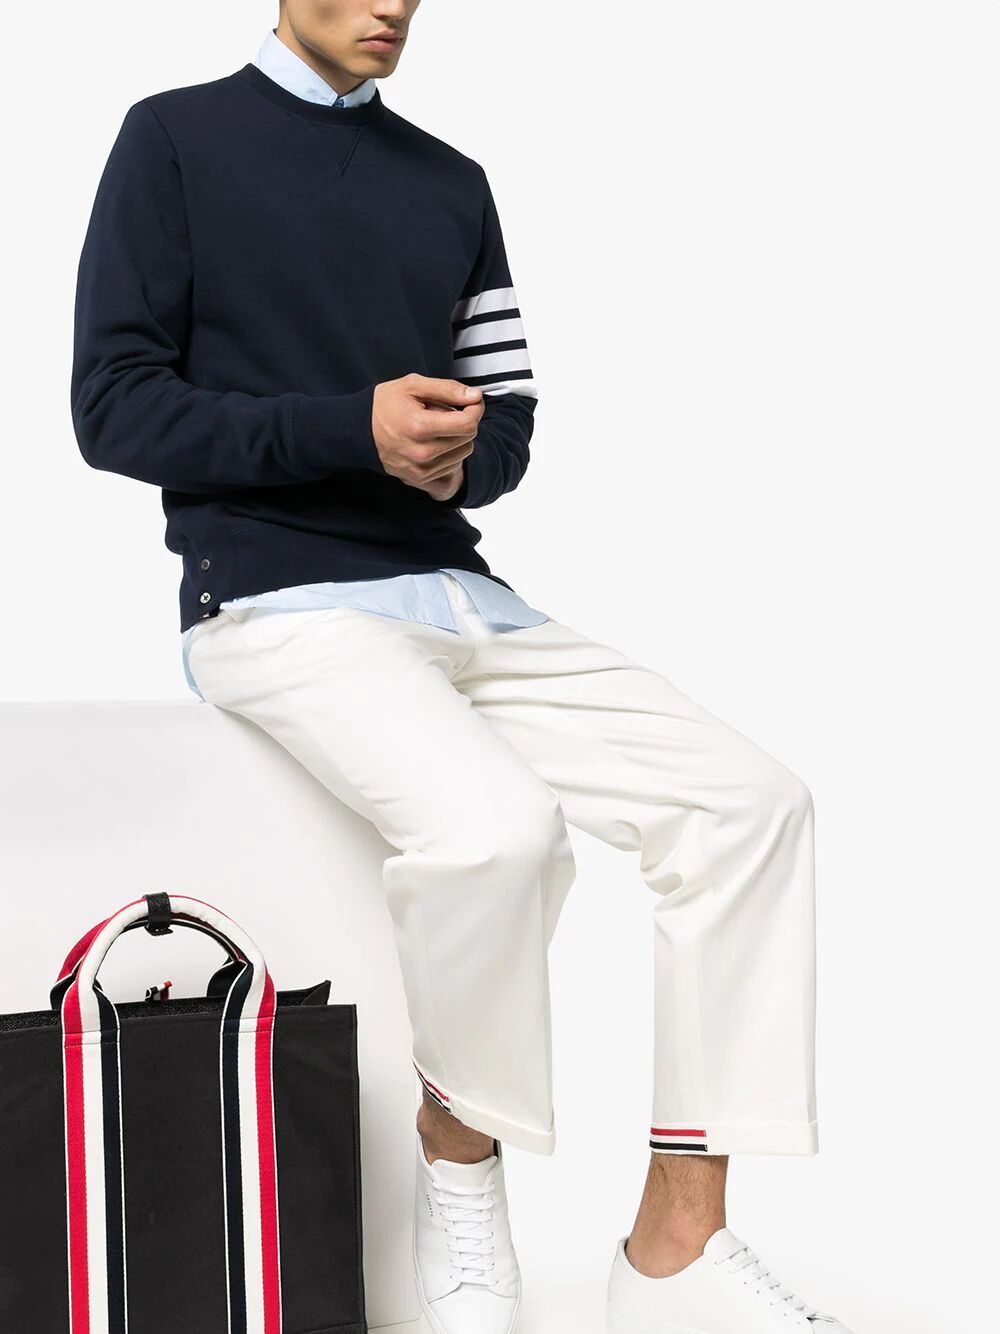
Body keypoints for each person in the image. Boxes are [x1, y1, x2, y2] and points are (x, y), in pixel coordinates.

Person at [70, 3, 855, 1332]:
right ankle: (458, 1161)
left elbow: (509, 423)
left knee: (750, 803)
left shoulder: (450, 182)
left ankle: (676, 1243)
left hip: (464, 600)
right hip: (270, 598)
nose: (394, 5)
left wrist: (452, 458)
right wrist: (351, 429)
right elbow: (112, 405)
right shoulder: (173, 141)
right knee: (500, 833)